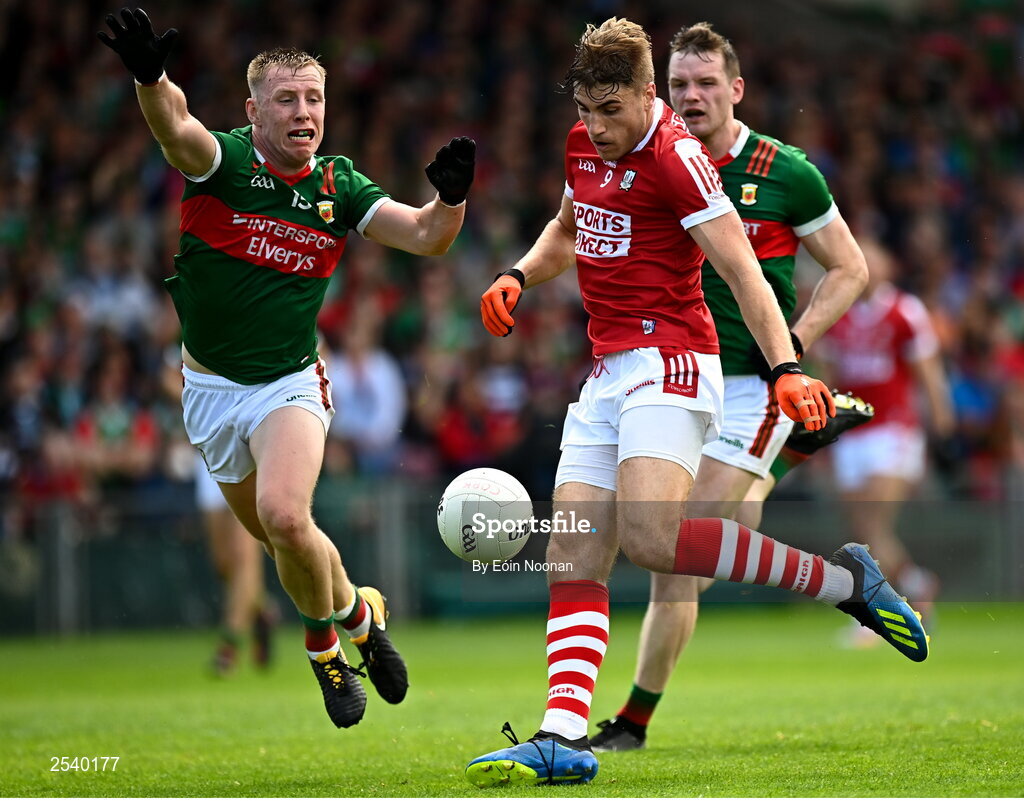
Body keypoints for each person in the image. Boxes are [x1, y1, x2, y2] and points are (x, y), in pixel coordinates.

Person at [467, 18, 927, 787]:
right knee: (573, 546)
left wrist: (786, 366)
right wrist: (519, 272)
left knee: (652, 539)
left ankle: (845, 583)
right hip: (608, 369)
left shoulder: (679, 159)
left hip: (675, 359)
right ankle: (560, 734)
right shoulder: (584, 144)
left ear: (649, 96)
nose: (595, 125)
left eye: (611, 109)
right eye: (584, 107)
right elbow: (566, 228)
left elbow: (746, 273)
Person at [98, 8, 476, 728]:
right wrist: (151, 76)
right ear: (253, 110)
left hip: (290, 381)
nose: (303, 112)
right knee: (286, 539)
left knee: (284, 512)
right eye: (286, 99)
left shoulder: (338, 185)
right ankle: (360, 614)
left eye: (314, 99)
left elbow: (428, 238)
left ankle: (324, 649)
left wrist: (451, 199)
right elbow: (174, 127)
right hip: (209, 391)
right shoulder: (226, 162)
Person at [590, 21, 871, 752]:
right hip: (678, 385)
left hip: (751, 386)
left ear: (736, 90)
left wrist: (795, 352)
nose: (692, 96)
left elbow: (850, 268)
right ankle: (791, 454)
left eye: (706, 83)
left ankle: (633, 721)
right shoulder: (650, 161)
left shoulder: (785, 171)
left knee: (675, 552)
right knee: (701, 543)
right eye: (679, 85)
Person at [820, 237, 954, 640]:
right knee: (861, 526)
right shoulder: (837, 311)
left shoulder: (904, 311)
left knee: (873, 525)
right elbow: (827, 373)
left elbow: (927, 371)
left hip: (894, 427)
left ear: (887, 266)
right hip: (852, 433)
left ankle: (875, 614)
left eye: (872, 258)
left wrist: (942, 420)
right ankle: (915, 585)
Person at [195, 454, 276, 676]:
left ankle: (229, 643)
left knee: (244, 559)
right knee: (222, 562)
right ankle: (262, 610)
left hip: (246, 450)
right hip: (210, 452)